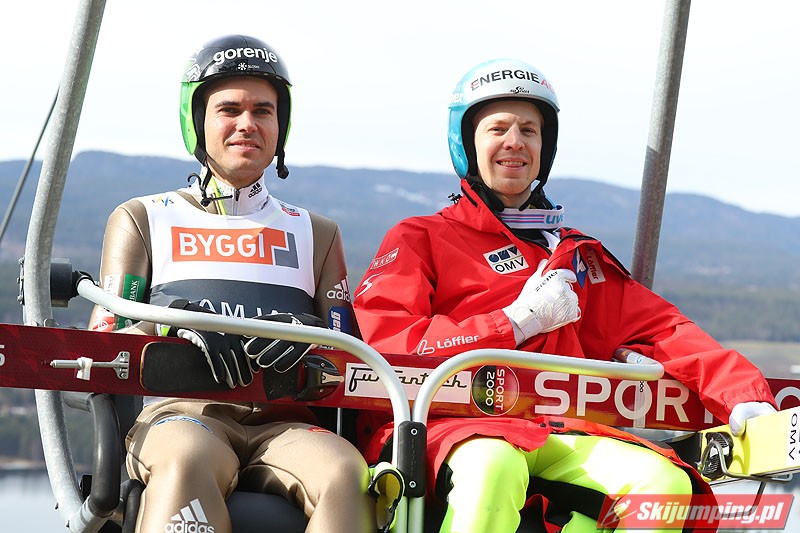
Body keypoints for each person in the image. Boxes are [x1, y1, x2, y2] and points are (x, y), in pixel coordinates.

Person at [353, 58, 777, 533]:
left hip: (558, 430)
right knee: (492, 466)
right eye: (498, 128)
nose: (515, 141)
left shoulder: (574, 258)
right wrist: (513, 323)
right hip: (450, 425)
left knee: (663, 485)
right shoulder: (421, 238)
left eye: (529, 130)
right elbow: (386, 344)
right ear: (466, 144)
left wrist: (742, 396)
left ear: (545, 147)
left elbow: (665, 330)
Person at [88, 34, 373, 533]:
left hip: (283, 424)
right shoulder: (144, 218)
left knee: (346, 472)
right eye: (229, 109)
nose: (247, 123)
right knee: (188, 458)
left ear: (281, 126)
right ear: (197, 120)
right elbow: (101, 349)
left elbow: (349, 358)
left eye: (263, 111)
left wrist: (312, 336)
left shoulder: (318, 233)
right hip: (180, 415)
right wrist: (172, 325)